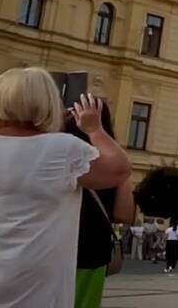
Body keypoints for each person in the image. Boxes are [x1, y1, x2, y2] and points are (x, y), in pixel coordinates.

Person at [0, 69, 132, 308]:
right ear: (48, 102)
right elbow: (119, 170)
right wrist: (94, 129)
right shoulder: (62, 149)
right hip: (38, 289)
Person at [64, 98, 136, 308]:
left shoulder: (57, 153)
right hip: (91, 250)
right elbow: (123, 214)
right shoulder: (110, 164)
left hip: (51, 247)